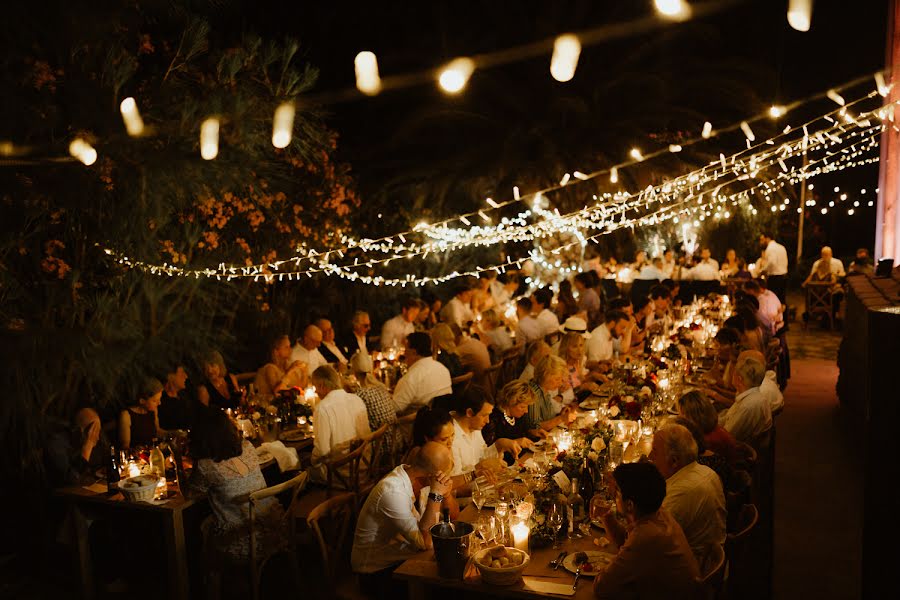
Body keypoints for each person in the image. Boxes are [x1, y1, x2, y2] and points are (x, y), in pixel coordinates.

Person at [351, 442, 453, 598]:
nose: (446, 481)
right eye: (445, 477)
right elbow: (425, 542)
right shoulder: (393, 491)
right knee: (444, 589)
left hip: (403, 557)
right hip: (376, 574)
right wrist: (437, 494)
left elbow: (428, 532)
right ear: (432, 478)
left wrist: (441, 494)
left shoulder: (410, 477)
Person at [186, 409, 285, 564]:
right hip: (275, 527)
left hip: (242, 541)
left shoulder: (205, 466)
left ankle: (209, 582)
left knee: (201, 527)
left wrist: (179, 461)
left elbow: (189, 494)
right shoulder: (248, 447)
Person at [593, 462, 700, 600]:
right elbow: (624, 542)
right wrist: (605, 515)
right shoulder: (659, 514)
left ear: (630, 505)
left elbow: (602, 588)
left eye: (617, 490)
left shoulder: (646, 536)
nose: (613, 494)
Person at [649, 424, 726, 572]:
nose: (650, 457)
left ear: (674, 461)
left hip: (691, 577)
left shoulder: (681, 492)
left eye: (655, 451)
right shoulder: (705, 471)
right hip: (704, 562)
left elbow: (646, 544)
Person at [449, 386, 521, 492]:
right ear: (469, 413)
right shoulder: (450, 436)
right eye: (484, 415)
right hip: (467, 501)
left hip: (483, 489)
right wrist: (479, 467)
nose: (487, 421)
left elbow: (482, 456)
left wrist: (499, 444)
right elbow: (453, 487)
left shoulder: (475, 426)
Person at [310, 365, 371, 465]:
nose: (315, 391)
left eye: (315, 387)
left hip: (338, 473)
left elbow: (322, 451)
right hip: (364, 465)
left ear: (321, 385)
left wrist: (311, 460)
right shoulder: (356, 399)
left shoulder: (322, 408)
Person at [350, 352, 400, 465]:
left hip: (380, 446)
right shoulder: (381, 387)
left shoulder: (360, 394)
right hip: (395, 440)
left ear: (354, 371)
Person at [482, 380, 547, 462]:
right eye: (522, 407)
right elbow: (488, 451)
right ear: (511, 402)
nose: (526, 411)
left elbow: (521, 434)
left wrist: (533, 432)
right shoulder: (493, 419)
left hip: (521, 461)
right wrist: (516, 442)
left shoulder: (517, 416)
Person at [392, 332, 452, 414]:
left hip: (416, 424)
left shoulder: (411, 378)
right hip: (443, 421)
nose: (404, 353)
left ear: (414, 352)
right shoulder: (443, 368)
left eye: (405, 349)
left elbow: (394, 409)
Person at [718, 352, 772, 443]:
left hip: (734, 451)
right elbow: (727, 417)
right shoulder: (752, 395)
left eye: (733, 372)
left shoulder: (748, 405)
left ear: (739, 379)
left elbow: (726, 436)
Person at [676, 391, 738, 464]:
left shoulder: (707, 442)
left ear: (694, 417)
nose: (679, 417)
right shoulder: (711, 428)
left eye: (682, 414)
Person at [46, 407, 104, 486]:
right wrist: (87, 447)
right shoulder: (56, 445)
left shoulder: (80, 442)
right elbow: (72, 481)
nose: (97, 438)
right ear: (80, 431)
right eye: (94, 432)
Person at [528, 355, 577, 431]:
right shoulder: (533, 393)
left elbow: (548, 418)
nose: (560, 383)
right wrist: (560, 418)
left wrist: (562, 412)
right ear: (546, 376)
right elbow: (535, 427)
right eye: (557, 379)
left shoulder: (545, 390)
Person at [255, 334, 308, 403]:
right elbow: (278, 393)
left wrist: (304, 371)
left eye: (290, 346)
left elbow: (300, 388)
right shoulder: (269, 368)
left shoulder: (287, 365)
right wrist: (290, 372)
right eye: (286, 347)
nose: (290, 350)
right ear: (276, 352)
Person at [119, 377, 163, 449]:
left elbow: (157, 431)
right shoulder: (126, 415)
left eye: (159, 399)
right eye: (155, 401)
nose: (159, 403)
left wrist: (173, 433)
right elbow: (125, 446)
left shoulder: (153, 411)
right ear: (142, 401)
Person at [158, 364, 195, 431]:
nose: (186, 376)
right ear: (170, 376)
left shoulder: (185, 396)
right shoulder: (159, 400)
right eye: (181, 373)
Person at [759, 232, 789, 303]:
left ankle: (774, 314)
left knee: (772, 300)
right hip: (784, 276)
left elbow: (772, 262)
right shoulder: (782, 247)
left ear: (768, 238)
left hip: (774, 278)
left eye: (762, 239)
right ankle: (783, 314)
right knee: (782, 300)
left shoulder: (770, 248)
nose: (761, 242)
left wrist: (762, 270)